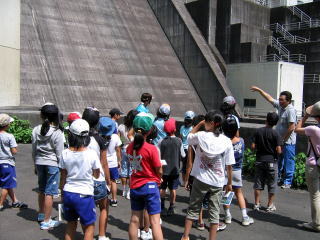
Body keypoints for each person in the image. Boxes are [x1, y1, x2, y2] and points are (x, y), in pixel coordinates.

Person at [181, 111, 235, 240]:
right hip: (217, 181)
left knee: (193, 208)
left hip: (200, 178)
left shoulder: (200, 136)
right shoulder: (227, 141)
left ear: (211, 123)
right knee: (214, 212)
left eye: (205, 120)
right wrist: (230, 183)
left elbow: (188, 138)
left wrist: (199, 124)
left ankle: (185, 236)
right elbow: (229, 165)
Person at [59, 119, 101, 240]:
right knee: (89, 226)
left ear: (71, 135)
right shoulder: (91, 154)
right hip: (84, 194)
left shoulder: (65, 153)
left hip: (68, 192)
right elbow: (97, 174)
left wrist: (62, 193)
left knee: (70, 224)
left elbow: (63, 176)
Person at [251, 86, 297, 188]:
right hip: (279, 140)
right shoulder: (281, 106)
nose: (279, 101)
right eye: (279, 99)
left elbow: (292, 127)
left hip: (288, 141)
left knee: (289, 161)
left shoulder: (290, 110)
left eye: (282, 100)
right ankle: (278, 178)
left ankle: (288, 182)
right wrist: (259, 90)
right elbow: (269, 98)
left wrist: (283, 140)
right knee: (279, 159)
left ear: (288, 101)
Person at [127, 112, 163, 240]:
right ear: (149, 130)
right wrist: (160, 177)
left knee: (135, 220)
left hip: (135, 185)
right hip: (150, 186)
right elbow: (159, 169)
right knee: (155, 222)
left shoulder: (130, 147)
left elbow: (131, 135)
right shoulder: (151, 148)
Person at [32, 103, 64, 229]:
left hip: (39, 162)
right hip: (52, 164)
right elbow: (60, 153)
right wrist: (62, 168)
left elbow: (34, 149)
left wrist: (35, 163)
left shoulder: (36, 129)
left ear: (42, 115)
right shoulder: (57, 132)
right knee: (50, 192)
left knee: (41, 189)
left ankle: (41, 214)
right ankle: (47, 220)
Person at [83, 107, 111, 240]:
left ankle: (87, 235)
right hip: (98, 178)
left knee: (88, 209)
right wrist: (109, 181)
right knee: (104, 208)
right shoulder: (100, 139)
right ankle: (102, 235)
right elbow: (104, 163)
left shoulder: (78, 138)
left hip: (83, 179)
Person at [222, 116, 254, 226]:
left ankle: (227, 215)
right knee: (239, 192)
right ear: (236, 129)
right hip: (237, 171)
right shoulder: (242, 141)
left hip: (226, 171)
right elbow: (237, 136)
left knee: (227, 193)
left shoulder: (224, 143)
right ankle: (245, 217)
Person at [295, 101, 320, 232]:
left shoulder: (313, 129)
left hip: (313, 164)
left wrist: (305, 116)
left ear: (316, 116)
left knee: (315, 195)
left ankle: (316, 224)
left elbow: (297, 129)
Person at [251, 112, 282, 212]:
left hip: (260, 160)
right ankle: (269, 205)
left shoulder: (258, 131)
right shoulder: (276, 134)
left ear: (266, 120)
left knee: (258, 183)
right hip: (272, 161)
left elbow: (253, 146)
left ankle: (256, 204)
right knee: (272, 184)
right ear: (275, 123)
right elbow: (279, 150)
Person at [0, 114, 28, 211]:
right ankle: (0, 204)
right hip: (7, 163)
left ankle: (15, 201)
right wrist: (15, 149)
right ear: (7, 125)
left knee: (7, 182)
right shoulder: (9, 136)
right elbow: (14, 151)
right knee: (6, 185)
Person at [160, 118, 185, 217]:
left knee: (162, 188)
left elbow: (158, 154)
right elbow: (183, 155)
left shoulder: (162, 141)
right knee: (173, 189)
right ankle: (171, 207)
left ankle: (162, 207)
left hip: (164, 170)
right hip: (175, 170)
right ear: (175, 129)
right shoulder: (179, 141)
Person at [99, 117, 122, 207]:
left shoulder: (99, 137)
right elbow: (118, 150)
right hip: (112, 162)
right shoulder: (115, 137)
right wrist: (119, 161)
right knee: (113, 181)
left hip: (102, 162)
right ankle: (114, 199)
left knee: (102, 181)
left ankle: (102, 199)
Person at [118, 109, 139, 200]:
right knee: (131, 171)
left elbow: (118, 141)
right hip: (133, 150)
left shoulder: (121, 126)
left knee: (124, 170)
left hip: (123, 149)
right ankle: (130, 192)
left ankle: (124, 190)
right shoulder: (136, 127)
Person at [179, 111, 195, 186]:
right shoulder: (192, 128)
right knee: (189, 165)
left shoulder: (182, 127)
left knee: (184, 165)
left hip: (182, 148)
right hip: (189, 149)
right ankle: (186, 180)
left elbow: (181, 137)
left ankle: (183, 180)